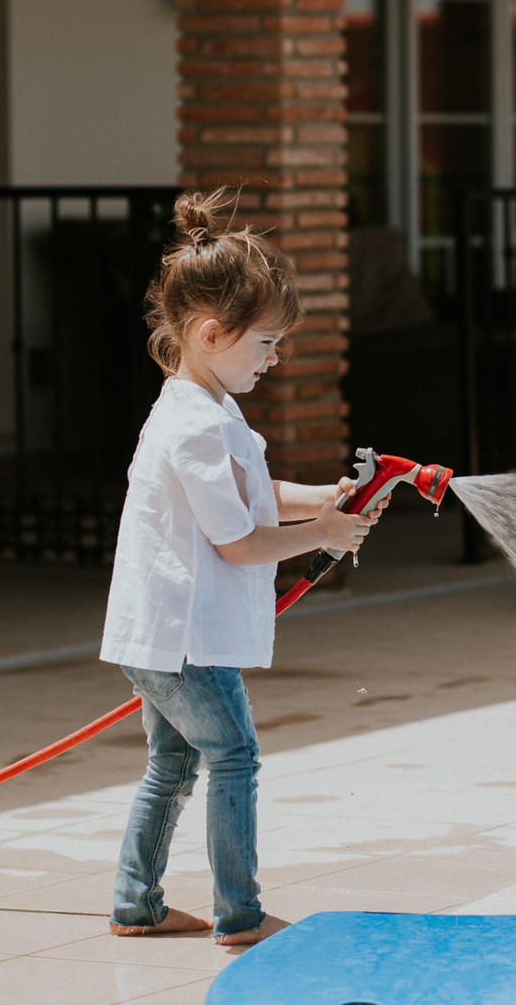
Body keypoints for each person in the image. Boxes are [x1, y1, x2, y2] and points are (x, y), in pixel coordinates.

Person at [100, 191, 384, 946]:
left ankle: (138, 902)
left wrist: (327, 499)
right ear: (210, 331)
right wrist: (323, 531)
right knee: (235, 757)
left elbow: (253, 499)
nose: (274, 358)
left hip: (164, 637)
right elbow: (239, 543)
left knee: (173, 765)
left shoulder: (205, 407)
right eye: (264, 344)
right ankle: (241, 915)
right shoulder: (193, 426)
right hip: (186, 641)